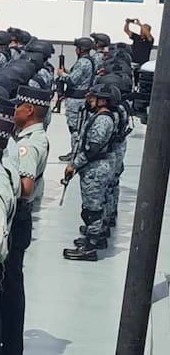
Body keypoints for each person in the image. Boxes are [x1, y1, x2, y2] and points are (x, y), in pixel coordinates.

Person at [0, 86, 51, 355]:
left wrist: (2, 182)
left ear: (29, 110)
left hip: (17, 218)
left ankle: (11, 354)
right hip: (19, 218)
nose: (14, 111)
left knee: (10, 288)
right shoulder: (29, 138)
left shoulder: (27, 145)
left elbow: (26, 187)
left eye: (18, 106)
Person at [63, 85, 120, 261]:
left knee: (92, 209)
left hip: (96, 169)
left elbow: (92, 148)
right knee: (95, 205)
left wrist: (74, 165)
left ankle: (90, 247)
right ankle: (94, 237)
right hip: (95, 167)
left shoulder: (103, 120)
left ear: (104, 100)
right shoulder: (101, 116)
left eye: (95, 97)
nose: (90, 99)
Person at [57, 37, 96, 161]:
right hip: (82, 97)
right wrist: (68, 72)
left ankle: (75, 153)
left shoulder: (82, 62)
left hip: (76, 100)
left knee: (74, 127)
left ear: (81, 49)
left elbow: (73, 80)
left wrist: (62, 74)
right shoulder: (89, 60)